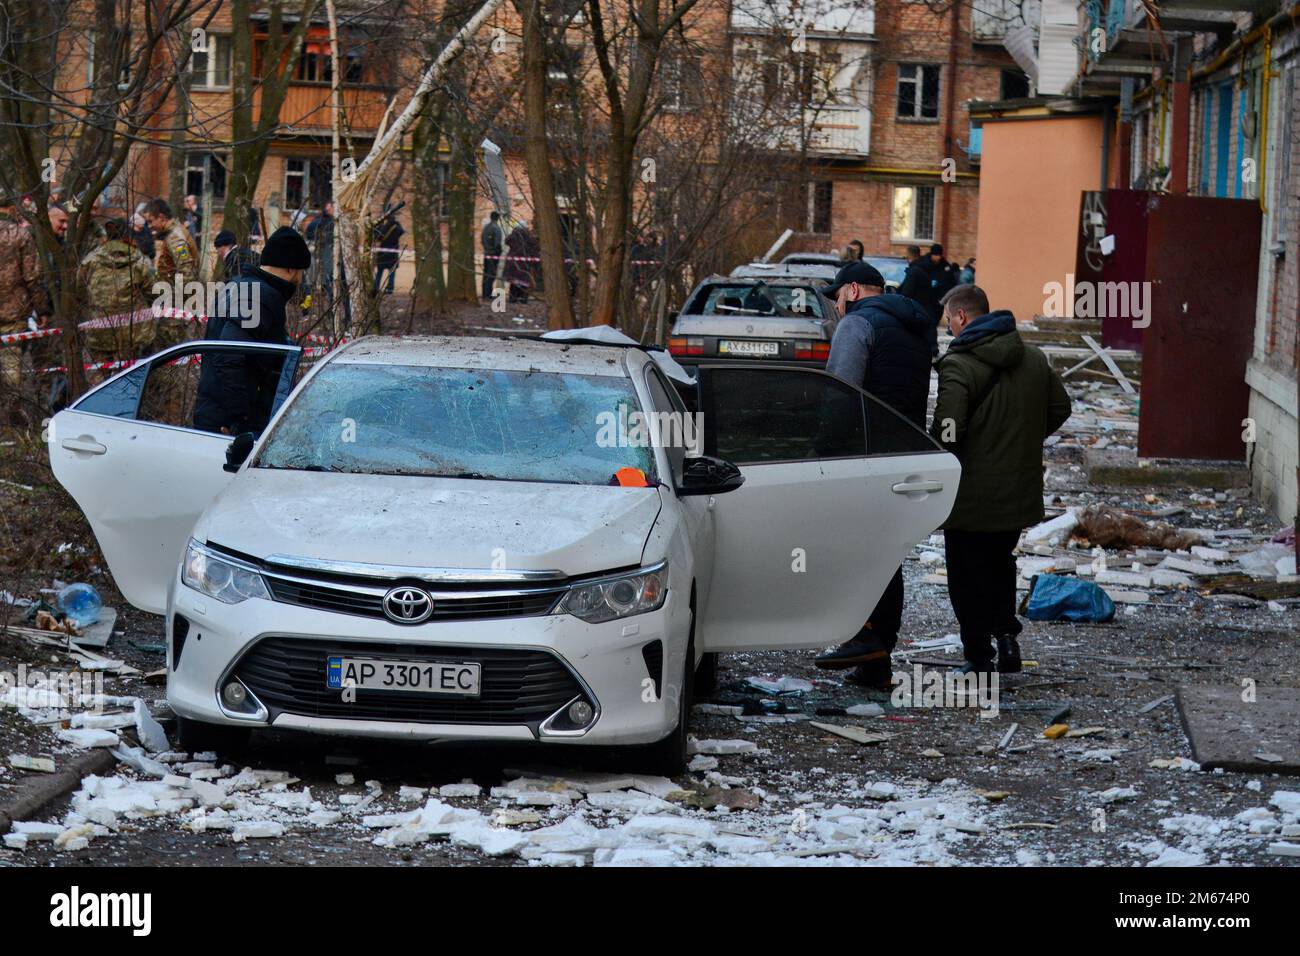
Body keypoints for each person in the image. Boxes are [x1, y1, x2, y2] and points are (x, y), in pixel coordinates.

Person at [930, 284, 1072, 674]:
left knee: (966, 575)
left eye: (948, 320)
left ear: (961, 317)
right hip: (1017, 491)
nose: (948, 327)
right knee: (999, 564)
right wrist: (1023, 439)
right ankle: (1007, 638)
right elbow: (1061, 407)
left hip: (970, 495)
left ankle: (979, 656)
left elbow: (948, 429)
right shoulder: (1032, 357)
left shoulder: (958, 364)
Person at [813, 260, 933, 689]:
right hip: (903, 452)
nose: (836, 307)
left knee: (856, 551)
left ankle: (864, 636)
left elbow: (840, 390)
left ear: (853, 290)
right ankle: (877, 659)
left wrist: (822, 449)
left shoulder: (858, 324)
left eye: (837, 296)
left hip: (862, 453)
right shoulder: (916, 328)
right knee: (886, 552)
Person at [194, 226, 309, 436]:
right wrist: (242, 420)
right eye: (301, 273)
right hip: (229, 427)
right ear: (291, 269)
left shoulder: (237, 286)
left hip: (215, 416)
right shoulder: (257, 297)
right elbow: (229, 357)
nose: (300, 280)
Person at [0, 194, 54, 420]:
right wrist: (42, 310)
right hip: (13, 314)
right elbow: (32, 276)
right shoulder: (20, 235)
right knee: (12, 370)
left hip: (12, 313)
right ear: (12, 208)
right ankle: (8, 419)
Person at [80, 218, 160, 361]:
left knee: (101, 373)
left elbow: (78, 289)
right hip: (132, 334)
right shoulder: (140, 261)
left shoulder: (90, 260)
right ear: (127, 235)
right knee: (130, 372)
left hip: (98, 332)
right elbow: (154, 292)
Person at [143, 198, 198, 284]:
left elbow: (186, 271)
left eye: (150, 221)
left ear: (161, 217)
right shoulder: (172, 233)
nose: (149, 226)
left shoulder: (175, 238)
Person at [305, 202, 335, 303]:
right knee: (328, 276)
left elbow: (308, 234)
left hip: (312, 249)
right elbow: (330, 239)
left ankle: (306, 306)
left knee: (309, 280)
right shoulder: (330, 222)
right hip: (324, 250)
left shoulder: (316, 220)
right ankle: (331, 305)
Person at [372, 209, 404, 295]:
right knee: (392, 273)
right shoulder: (396, 227)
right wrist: (397, 223)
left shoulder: (384, 227)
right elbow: (401, 232)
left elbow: (377, 237)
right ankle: (390, 289)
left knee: (379, 272)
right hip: (393, 253)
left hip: (382, 253)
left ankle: (376, 288)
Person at [503, 219, 536, 303]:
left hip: (513, 262)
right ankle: (523, 299)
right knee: (524, 281)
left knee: (514, 281)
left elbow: (507, 241)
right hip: (524, 262)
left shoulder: (513, 235)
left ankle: (513, 298)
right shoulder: (527, 235)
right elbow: (533, 245)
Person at [480, 210, 504, 301]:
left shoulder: (486, 227)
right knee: (491, 274)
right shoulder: (496, 228)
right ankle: (488, 294)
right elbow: (497, 243)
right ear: (498, 218)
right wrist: (498, 252)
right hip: (494, 254)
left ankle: (485, 294)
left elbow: (482, 240)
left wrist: (486, 249)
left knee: (486, 274)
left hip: (487, 253)